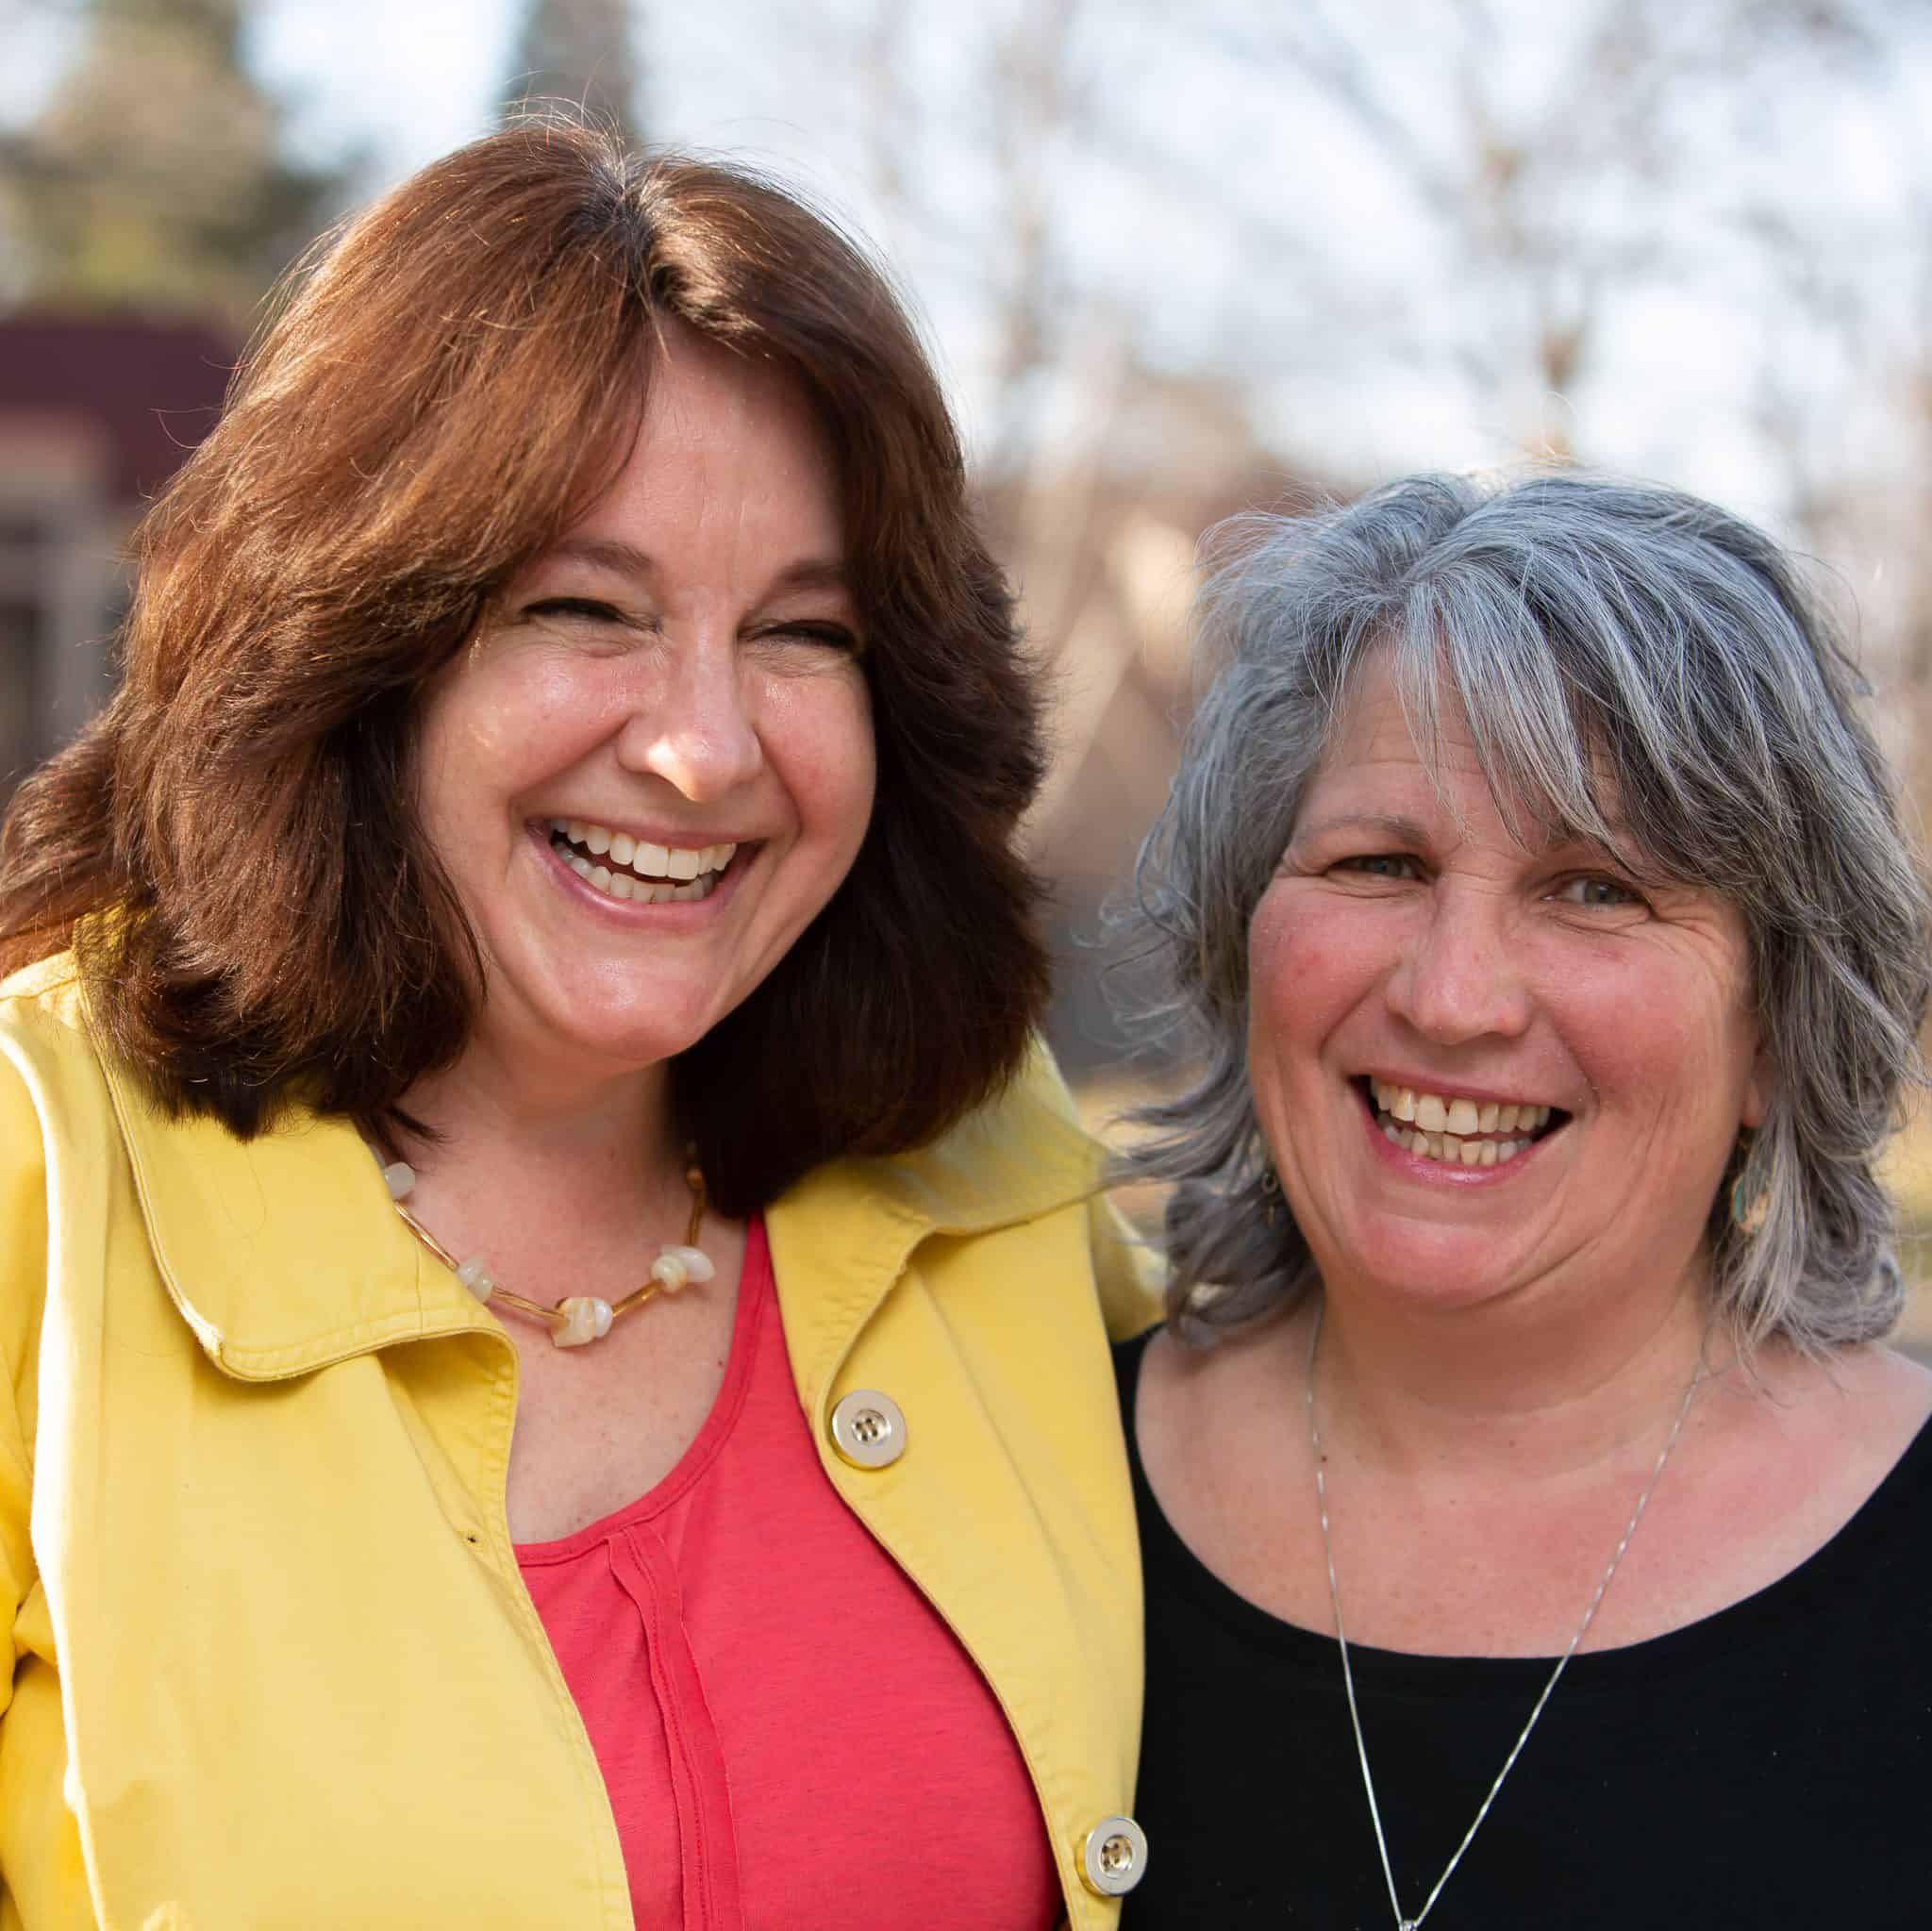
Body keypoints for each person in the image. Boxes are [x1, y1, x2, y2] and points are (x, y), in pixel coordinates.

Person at [0, 122, 1157, 1929]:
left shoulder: (993, 1165)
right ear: (360, 649)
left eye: (804, 634)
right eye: (583, 609)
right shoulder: (40, 1172)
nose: (702, 747)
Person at [1112, 469, 1932, 1927]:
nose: (1453, 997)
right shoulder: (1014, 1490)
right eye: (1380, 862)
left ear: (1776, 1026)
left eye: (1597, 888)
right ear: (1247, 944)